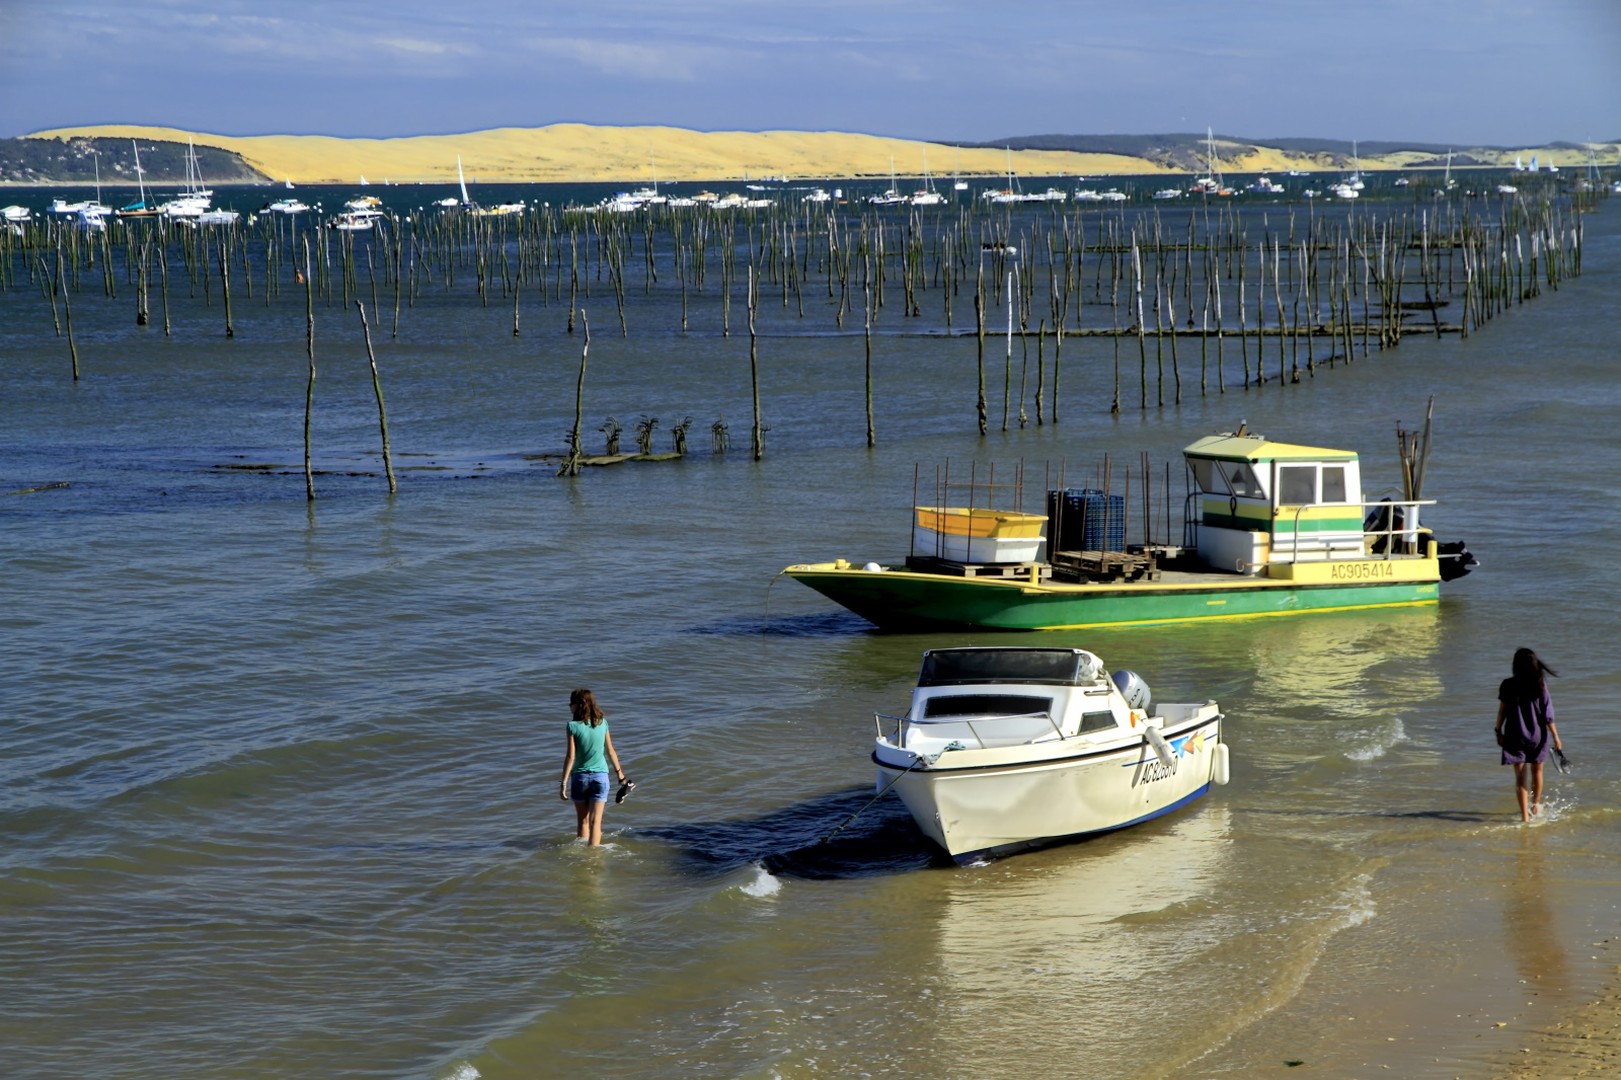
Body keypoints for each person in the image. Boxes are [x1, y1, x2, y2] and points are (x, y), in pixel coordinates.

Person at [1495, 648, 1562, 822]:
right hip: (1537, 736)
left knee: (1520, 776)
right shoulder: (1539, 685)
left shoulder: (1507, 684)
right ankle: (1535, 806)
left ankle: (1525, 818)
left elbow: (1502, 711)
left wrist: (1497, 730)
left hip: (1514, 735)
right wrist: (1556, 736)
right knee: (1537, 771)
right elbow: (1548, 715)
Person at [559, 688, 628, 845]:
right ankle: (594, 857)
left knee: (582, 822)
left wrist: (563, 784)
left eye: (571, 703)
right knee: (595, 823)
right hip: (600, 778)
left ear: (578, 705)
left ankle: (583, 860)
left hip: (580, 778)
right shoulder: (603, 723)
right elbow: (611, 751)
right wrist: (621, 777)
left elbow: (570, 757)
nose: (569, 707)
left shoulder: (572, 726)